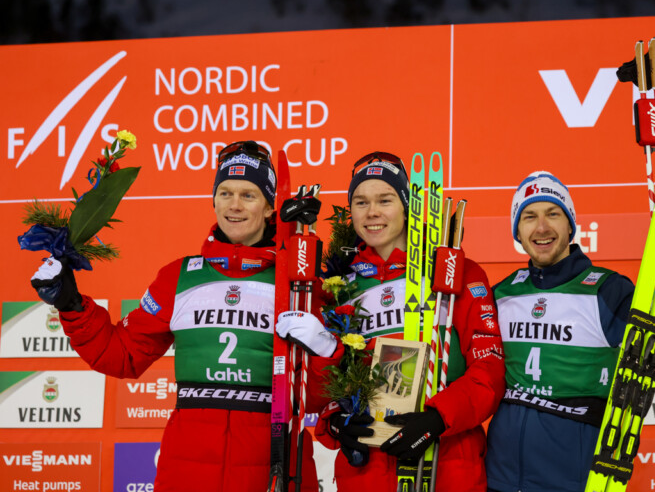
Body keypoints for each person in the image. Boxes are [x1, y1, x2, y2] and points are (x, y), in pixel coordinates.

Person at [29, 141, 321, 492]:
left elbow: (318, 391)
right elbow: (122, 355)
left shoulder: (298, 281)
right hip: (187, 470)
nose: (234, 205)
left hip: (272, 461)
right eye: (225, 193)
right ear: (213, 200)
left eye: (249, 195)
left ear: (271, 207)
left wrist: (327, 347)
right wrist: (71, 304)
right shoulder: (179, 277)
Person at [485, 171, 655, 492]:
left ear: (571, 225)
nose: (541, 227)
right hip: (500, 480)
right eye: (529, 216)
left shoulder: (608, 290)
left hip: (574, 481)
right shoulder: (503, 294)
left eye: (553, 214)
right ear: (517, 230)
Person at [308, 152, 506, 491]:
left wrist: (437, 418)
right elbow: (319, 389)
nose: (372, 213)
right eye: (360, 202)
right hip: (366, 471)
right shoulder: (337, 287)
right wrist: (337, 420)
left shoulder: (455, 272)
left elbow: (488, 370)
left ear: (406, 206)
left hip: (446, 461)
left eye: (384, 200)